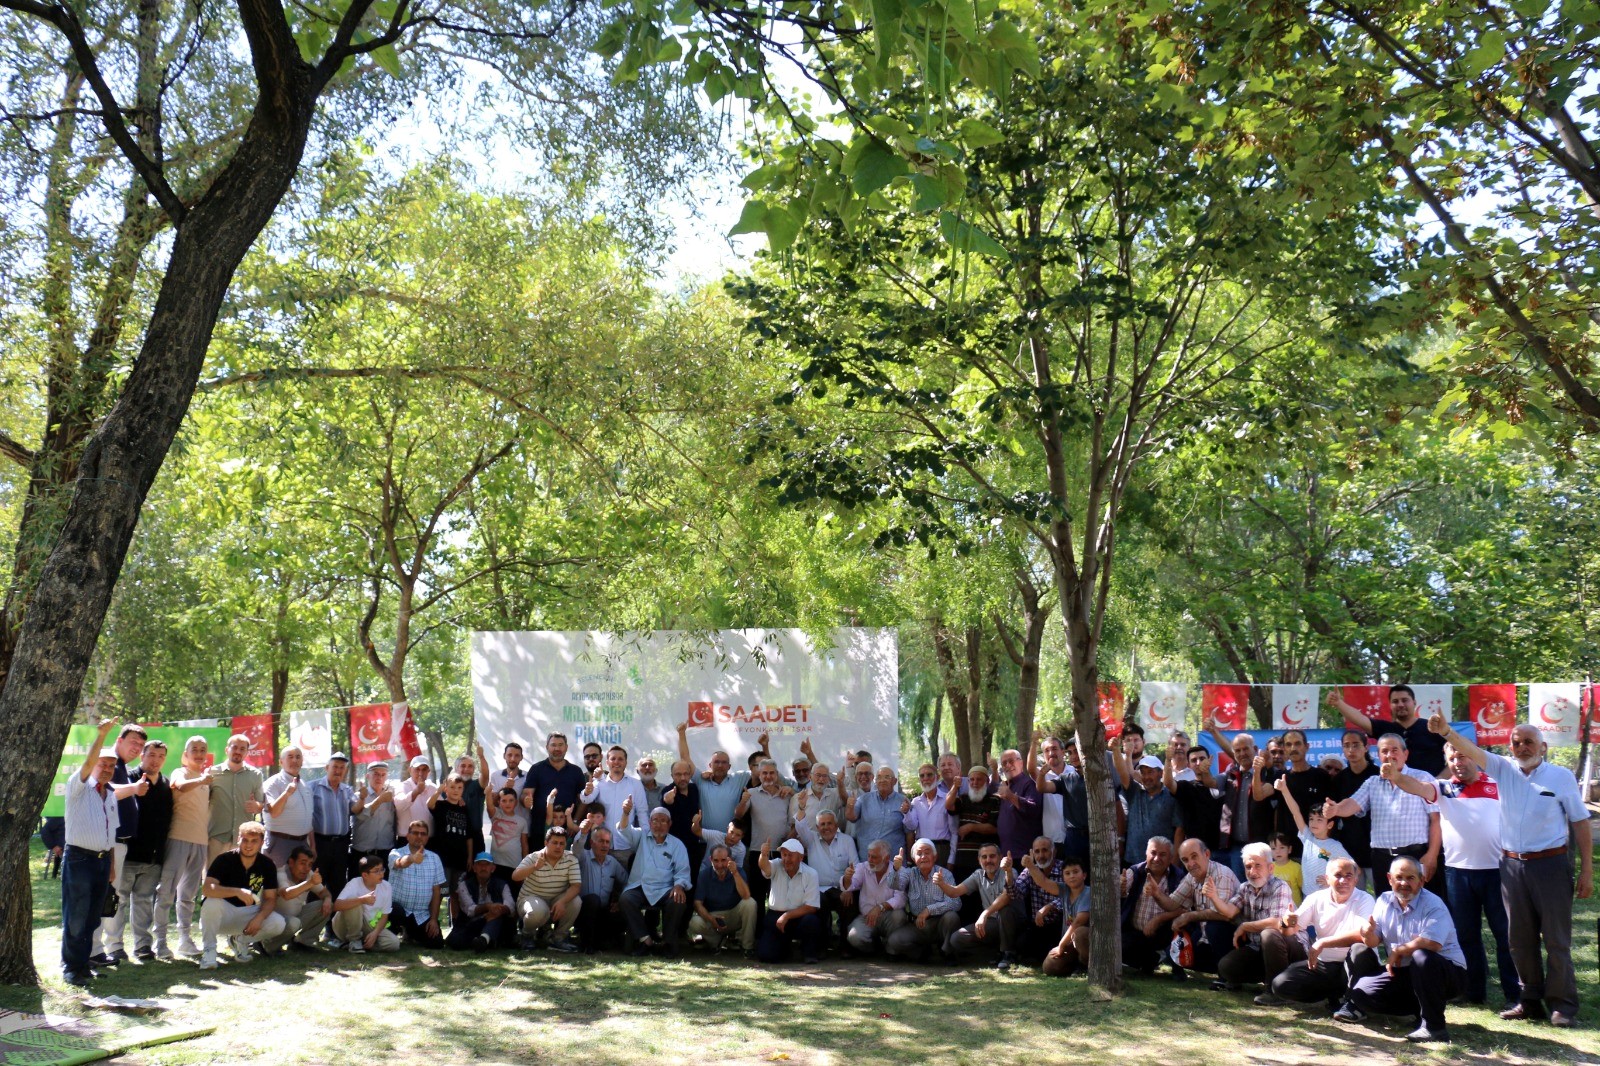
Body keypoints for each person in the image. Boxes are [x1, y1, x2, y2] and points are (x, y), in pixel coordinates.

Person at [1428, 714, 1592, 1026]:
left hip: (1551, 865)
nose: (1522, 747)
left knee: (1556, 939)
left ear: (1543, 747)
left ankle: (1562, 1005)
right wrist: (1447, 731)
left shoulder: (1560, 777)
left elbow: (1580, 823)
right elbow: (1469, 750)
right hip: (1512, 866)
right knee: (1519, 938)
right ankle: (1528, 1000)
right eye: (1516, 742)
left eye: (1529, 742)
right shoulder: (1503, 769)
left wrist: (1586, 871)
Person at [1381, 739, 1520, 1008]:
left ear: (1475, 758)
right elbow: (1417, 787)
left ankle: (1514, 994)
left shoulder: (1498, 785)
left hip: (1497, 871)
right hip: (1459, 874)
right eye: (1452, 758)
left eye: (1463, 756)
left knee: (1505, 935)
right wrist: (1397, 776)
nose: (1458, 762)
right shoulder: (1443, 789)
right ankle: (1473, 991)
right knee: (1466, 935)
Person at [1336, 856, 1467, 1043]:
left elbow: (1433, 944)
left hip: (1449, 973)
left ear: (1421, 880)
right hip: (1405, 972)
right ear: (1390, 879)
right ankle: (1417, 1009)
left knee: (1422, 956)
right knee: (1361, 994)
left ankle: (1434, 1027)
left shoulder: (1433, 904)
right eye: (1399, 877)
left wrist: (1399, 950)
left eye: (1410, 878)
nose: (1404, 883)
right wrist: (1367, 933)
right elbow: (1374, 941)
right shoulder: (1384, 900)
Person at [1323, 735, 1441, 891]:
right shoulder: (1373, 782)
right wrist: (1336, 809)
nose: (1389, 755)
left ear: (1405, 754)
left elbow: (1436, 819)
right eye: (1384, 751)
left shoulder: (1423, 778)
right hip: (1382, 859)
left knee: (1420, 906)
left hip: (1416, 856)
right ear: (1378, 756)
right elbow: (1352, 803)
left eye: (1394, 750)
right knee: (1387, 908)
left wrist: (1432, 854)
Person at [1258, 857, 1376, 1008]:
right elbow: (1291, 929)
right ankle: (1332, 995)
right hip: (1324, 964)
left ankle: (1350, 1002)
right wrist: (1286, 922)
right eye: (1338, 875)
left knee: (1359, 950)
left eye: (1348, 876)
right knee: (1281, 984)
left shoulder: (1365, 899)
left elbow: (1361, 934)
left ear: (1355, 879)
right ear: (1327, 878)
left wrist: (1323, 942)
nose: (1343, 880)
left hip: (1353, 964)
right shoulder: (1316, 898)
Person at [60, 718, 121, 986]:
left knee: (93, 918)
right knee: (76, 916)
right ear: (94, 764)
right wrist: (102, 736)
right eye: (102, 764)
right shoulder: (79, 787)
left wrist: (112, 864)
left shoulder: (109, 795)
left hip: (100, 862)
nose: (107, 768)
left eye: (111, 765)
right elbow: (87, 764)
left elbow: (111, 836)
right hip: (79, 859)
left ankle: (84, 964)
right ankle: (71, 968)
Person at [93, 722, 148, 966]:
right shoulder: (110, 761)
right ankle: (94, 950)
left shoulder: (122, 765)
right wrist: (134, 789)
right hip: (107, 843)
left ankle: (98, 949)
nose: (137, 748)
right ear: (119, 739)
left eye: (140, 745)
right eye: (133, 742)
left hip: (118, 843)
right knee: (102, 898)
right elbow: (105, 791)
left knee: (109, 898)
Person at [198, 822, 286, 970]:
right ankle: (209, 951)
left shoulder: (267, 864)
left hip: (247, 914)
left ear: (262, 843)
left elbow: (271, 898)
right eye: (245, 840)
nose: (248, 845)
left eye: (254, 841)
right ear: (238, 839)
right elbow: (207, 889)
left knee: (278, 923)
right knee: (211, 901)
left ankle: (240, 940)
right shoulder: (224, 859)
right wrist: (237, 891)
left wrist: (259, 918)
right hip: (220, 916)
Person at [1153, 838, 1241, 979]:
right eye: (1185, 860)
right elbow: (1172, 904)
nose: (1191, 864)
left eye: (1194, 857)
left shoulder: (1221, 874)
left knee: (1215, 927)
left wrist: (1189, 916)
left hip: (1234, 938)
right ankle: (1216, 968)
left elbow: (1225, 915)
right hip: (1205, 938)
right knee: (1175, 936)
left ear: (1207, 854)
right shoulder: (1191, 877)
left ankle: (1227, 976)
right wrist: (1156, 893)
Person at [158, 736, 214, 958]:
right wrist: (202, 780)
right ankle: (160, 942)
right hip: (178, 838)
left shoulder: (206, 779)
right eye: (194, 750)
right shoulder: (180, 773)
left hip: (200, 842)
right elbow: (179, 787)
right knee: (166, 892)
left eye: (203, 749)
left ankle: (184, 939)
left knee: (188, 895)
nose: (199, 753)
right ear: (186, 753)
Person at [1214, 842, 1295, 989]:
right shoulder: (1245, 888)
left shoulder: (1280, 887)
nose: (1252, 871)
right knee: (1226, 967)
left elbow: (1278, 922)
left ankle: (1276, 991)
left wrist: (1246, 926)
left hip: (1290, 948)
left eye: (1258, 865)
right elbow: (1229, 911)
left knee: (1269, 934)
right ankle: (1270, 978)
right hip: (1259, 949)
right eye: (1248, 867)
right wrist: (1213, 896)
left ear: (1271, 868)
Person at [122, 739, 172, 962]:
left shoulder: (166, 785)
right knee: (117, 901)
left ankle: (143, 946)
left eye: (161, 756)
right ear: (142, 755)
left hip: (153, 857)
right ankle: (112, 946)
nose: (156, 760)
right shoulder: (128, 779)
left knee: (143, 902)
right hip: (127, 855)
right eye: (152, 755)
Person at [1329, 683, 1447, 775]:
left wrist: (1439, 781)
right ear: (1390, 705)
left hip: (1432, 795)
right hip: (1396, 793)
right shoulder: (1385, 729)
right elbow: (1359, 718)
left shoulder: (1433, 727)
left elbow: (1460, 753)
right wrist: (1339, 703)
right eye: (1395, 701)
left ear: (1414, 702)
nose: (1400, 704)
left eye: (1404, 700)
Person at [619, 807, 692, 955]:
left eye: (663, 821)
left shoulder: (677, 845)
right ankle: (645, 940)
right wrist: (626, 813)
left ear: (669, 823)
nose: (658, 824)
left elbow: (682, 871)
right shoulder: (641, 837)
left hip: (666, 889)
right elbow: (624, 828)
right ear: (649, 822)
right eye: (655, 820)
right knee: (626, 898)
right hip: (641, 886)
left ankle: (668, 942)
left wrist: (678, 885)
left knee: (678, 900)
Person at [1253, 729, 1328, 861]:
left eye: (1297, 743)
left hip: (1316, 848)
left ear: (1307, 747)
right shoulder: (1280, 777)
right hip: (1287, 850)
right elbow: (1258, 795)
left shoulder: (1321, 776)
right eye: (1288, 744)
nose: (1293, 748)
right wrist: (1257, 771)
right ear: (1285, 749)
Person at [1272, 774, 1351, 897]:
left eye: (1319, 820)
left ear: (1330, 825)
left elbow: (1353, 868)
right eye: (1311, 819)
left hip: (1326, 896)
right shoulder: (1307, 837)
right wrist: (1284, 790)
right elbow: (1295, 812)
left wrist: (1333, 881)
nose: (1313, 823)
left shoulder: (1335, 846)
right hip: (1307, 895)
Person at [942, 843, 1017, 970]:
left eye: (992, 856)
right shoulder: (978, 875)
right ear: (979, 860)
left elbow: (1007, 897)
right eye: (984, 857)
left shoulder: (1010, 871)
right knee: (956, 939)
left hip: (1014, 923)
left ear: (1000, 857)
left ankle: (1009, 954)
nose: (988, 860)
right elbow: (954, 892)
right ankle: (996, 951)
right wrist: (940, 883)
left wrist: (984, 914)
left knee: (1005, 911)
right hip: (993, 923)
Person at [793, 805, 858, 951]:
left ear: (836, 825)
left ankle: (846, 945)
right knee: (818, 904)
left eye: (829, 823)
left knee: (851, 902)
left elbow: (856, 867)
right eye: (822, 824)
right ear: (817, 827)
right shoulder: (811, 839)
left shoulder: (847, 840)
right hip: (819, 889)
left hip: (842, 888)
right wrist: (802, 807)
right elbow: (801, 826)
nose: (826, 827)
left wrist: (849, 889)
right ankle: (822, 945)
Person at [512, 825, 582, 951]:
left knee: (576, 901)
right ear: (546, 842)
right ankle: (527, 936)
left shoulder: (571, 859)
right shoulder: (534, 857)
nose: (558, 846)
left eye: (562, 843)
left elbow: (576, 886)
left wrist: (562, 902)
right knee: (538, 911)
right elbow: (515, 876)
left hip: (555, 901)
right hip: (531, 899)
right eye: (554, 842)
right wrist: (534, 867)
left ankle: (558, 938)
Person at [1121, 836, 1182, 974]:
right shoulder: (1135, 871)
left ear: (1171, 857)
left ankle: (1157, 957)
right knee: (1119, 945)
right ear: (1146, 854)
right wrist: (1121, 888)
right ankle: (1150, 960)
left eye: (1163, 854)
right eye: (1153, 853)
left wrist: (1159, 919)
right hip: (1134, 932)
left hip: (1164, 933)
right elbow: (1120, 892)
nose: (1156, 858)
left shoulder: (1178, 876)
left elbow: (1185, 908)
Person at [756, 839, 823, 963]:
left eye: (790, 855)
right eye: (784, 854)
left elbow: (811, 907)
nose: (786, 859)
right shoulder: (777, 864)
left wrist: (787, 916)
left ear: (801, 858)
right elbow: (764, 866)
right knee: (766, 955)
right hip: (775, 917)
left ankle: (809, 952)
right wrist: (764, 854)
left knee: (811, 921)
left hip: (799, 917)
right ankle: (784, 949)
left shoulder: (811, 874)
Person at [1329, 729, 1379, 889]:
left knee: (1383, 897)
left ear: (1366, 747)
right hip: (1350, 849)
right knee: (1353, 900)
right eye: (1346, 746)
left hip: (1377, 848)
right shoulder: (1339, 780)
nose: (1351, 750)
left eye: (1356, 745)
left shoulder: (1378, 776)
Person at [207, 734, 266, 865]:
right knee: (211, 880)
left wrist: (257, 806)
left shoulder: (255, 775)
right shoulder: (212, 772)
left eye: (242, 749)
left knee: (238, 881)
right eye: (235, 747)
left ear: (247, 752)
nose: (238, 751)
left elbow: (261, 803)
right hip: (216, 837)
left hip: (243, 840)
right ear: (227, 750)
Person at [688, 844, 757, 955]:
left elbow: (746, 896)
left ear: (730, 859)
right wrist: (711, 919)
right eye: (716, 860)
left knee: (750, 903)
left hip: (734, 914)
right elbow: (697, 903)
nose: (720, 865)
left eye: (723, 860)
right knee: (694, 922)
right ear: (710, 859)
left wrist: (734, 873)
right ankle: (717, 941)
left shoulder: (738, 871)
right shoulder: (704, 875)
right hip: (713, 916)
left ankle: (747, 947)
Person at [386, 820, 447, 947]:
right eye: (415, 833)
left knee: (436, 943)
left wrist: (433, 919)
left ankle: (410, 933)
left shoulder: (435, 858)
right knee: (395, 913)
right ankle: (396, 930)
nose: (419, 836)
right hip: (397, 912)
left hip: (421, 914)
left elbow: (437, 891)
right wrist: (411, 858)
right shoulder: (395, 853)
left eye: (423, 834)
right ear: (407, 836)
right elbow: (399, 863)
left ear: (427, 838)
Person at [1166, 746, 1229, 868]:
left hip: (1222, 851)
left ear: (1210, 760)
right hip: (1194, 853)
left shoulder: (1222, 784)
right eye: (1194, 760)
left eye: (1202, 758)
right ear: (1189, 765)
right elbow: (1168, 783)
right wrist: (1168, 760)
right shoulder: (1185, 786)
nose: (1198, 763)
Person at [521, 733, 586, 848]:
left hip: (566, 831)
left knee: (565, 865)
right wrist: (525, 800)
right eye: (553, 745)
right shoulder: (536, 769)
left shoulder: (576, 771)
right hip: (540, 830)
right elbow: (526, 794)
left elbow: (583, 801)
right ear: (547, 747)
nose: (557, 748)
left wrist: (574, 822)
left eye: (560, 745)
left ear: (566, 747)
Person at [841, 841, 906, 955]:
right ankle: (876, 949)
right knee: (854, 937)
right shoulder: (862, 867)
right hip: (867, 916)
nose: (870, 860)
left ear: (886, 858)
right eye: (869, 856)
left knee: (899, 916)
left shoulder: (899, 870)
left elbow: (900, 899)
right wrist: (847, 878)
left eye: (874, 857)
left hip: (888, 915)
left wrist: (880, 907)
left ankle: (891, 949)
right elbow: (851, 885)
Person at [1034, 732, 1089, 866]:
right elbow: (1043, 788)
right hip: (1073, 837)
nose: (1074, 756)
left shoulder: (1097, 776)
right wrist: (1041, 774)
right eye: (1070, 753)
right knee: (1073, 876)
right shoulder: (1066, 779)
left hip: (1095, 834)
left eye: (1077, 751)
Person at [264, 845, 332, 953]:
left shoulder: (308, 874)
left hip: (295, 917)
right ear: (291, 862)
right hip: (274, 920)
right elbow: (286, 894)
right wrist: (310, 883)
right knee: (293, 923)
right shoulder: (281, 873)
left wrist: (328, 899)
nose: (306, 868)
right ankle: (266, 945)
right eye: (302, 863)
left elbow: (324, 892)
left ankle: (302, 942)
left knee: (326, 905)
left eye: (310, 864)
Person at [1115, 752, 1179, 868]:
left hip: (1161, 863)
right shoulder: (1134, 792)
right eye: (1143, 773)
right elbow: (1122, 771)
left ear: (1160, 773)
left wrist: (1175, 863)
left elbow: (1180, 829)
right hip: (1133, 861)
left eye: (1150, 772)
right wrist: (1115, 750)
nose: (1146, 777)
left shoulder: (1171, 796)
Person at [579, 745, 650, 847]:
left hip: (626, 845)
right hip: (601, 845)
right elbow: (586, 800)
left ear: (626, 762)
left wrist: (646, 840)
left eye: (620, 759)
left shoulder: (636, 784)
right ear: (607, 762)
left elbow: (642, 814)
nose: (616, 762)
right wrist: (586, 792)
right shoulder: (599, 782)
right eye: (613, 759)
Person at [1009, 836, 1065, 965]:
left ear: (1054, 851)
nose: (1041, 855)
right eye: (1037, 851)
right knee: (1022, 944)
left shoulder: (1064, 869)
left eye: (1044, 850)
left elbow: (1071, 897)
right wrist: (1008, 873)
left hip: (1061, 924)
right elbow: (1015, 894)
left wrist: (1050, 906)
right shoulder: (1030, 870)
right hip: (1039, 926)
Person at [574, 823, 628, 954]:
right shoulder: (583, 857)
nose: (604, 845)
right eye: (601, 841)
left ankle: (604, 940)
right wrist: (583, 833)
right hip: (583, 911)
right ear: (592, 843)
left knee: (626, 910)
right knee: (593, 900)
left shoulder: (612, 862)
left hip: (603, 912)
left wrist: (620, 901)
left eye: (607, 842)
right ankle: (587, 944)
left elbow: (628, 882)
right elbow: (575, 851)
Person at [310, 752, 356, 900]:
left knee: (338, 884)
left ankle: (334, 922)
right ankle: (314, 922)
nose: (338, 770)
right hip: (320, 843)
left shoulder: (347, 790)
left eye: (342, 767)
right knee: (316, 884)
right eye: (335, 766)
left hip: (341, 845)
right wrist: (311, 845)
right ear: (326, 768)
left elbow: (356, 810)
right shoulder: (313, 787)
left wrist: (361, 798)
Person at [332, 856, 401, 954]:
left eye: (382, 869)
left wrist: (375, 933)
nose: (381, 873)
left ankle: (359, 945)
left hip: (369, 926)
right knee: (354, 902)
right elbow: (336, 906)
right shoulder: (354, 883)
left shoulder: (386, 886)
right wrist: (362, 900)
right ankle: (354, 940)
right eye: (376, 871)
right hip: (345, 926)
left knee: (394, 944)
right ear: (365, 875)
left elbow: (385, 915)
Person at [945, 766, 1001, 882]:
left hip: (986, 860)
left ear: (987, 781)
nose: (975, 783)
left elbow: (993, 828)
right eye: (972, 779)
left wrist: (971, 827)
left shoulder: (994, 800)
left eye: (979, 779)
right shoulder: (964, 798)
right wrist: (955, 787)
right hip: (963, 859)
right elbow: (948, 805)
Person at [449, 852, 514, 950]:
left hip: (496, 922)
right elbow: (470, 910)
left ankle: (483, 940)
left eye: (487, 865)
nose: (483, 868)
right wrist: (488, 907)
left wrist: (499, 909)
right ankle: (487, 941)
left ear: (493, 868)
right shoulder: (464, 885)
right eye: (480, 864)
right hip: (471, 923)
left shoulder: (502, 884)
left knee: (496, 915)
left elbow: (511, 906)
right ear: (474, 868)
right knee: (456, 941)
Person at [262, 746, 314, 867]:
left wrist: (312, 846)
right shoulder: (273, 783)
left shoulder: (305, 785)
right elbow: (274, 812)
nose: (295, 760)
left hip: (303, 844)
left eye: (298, 757)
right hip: (279, 843)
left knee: (300, 883)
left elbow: (309, 819)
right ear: (281, 762)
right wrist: (287, 794)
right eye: (290, 757)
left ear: (302, 761)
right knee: (277, 881)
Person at [426, 772, 474, 902]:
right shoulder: (441, 805)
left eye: (459, 788)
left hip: (461, 859)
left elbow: (469, 835)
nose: (456, 790)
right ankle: (438, 919)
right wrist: (438, 791)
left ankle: (457, 921)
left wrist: (470, 856)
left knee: (458, 893)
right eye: (452, 787)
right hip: (444, 859)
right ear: (446, 788)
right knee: (443, 891)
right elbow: (429, 804)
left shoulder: (464, 809)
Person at [1041, 857, 1091, 976]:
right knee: (1049, 967)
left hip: (1087, 942)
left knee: (1079, 933)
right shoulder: (1064, 890)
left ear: (1084, 875)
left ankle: (1086, 966)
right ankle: (1075, 967)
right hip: (1070, 944)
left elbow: (1078, 922)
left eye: (1075, 872)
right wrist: (1030, 866)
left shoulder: (1089, 892)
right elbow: (1043, 882)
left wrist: (1061, 945)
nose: (1071, 876)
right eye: (1067, 873)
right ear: (1063, 877)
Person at [994, 749, 1043, 865]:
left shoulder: (1029, 784)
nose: (1008, 765)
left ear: (1021, 763)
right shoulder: (1006, 785)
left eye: (1011, 761)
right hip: (1007, 854)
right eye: (1004, 763)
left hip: (1024, 854)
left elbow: (1034, 809)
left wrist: (1011, 796)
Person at [847, 765, 908, 856]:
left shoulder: (903, 801)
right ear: (875, 781)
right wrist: (850, 806)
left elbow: (909, 832)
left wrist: (909, 858)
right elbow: (851, 818)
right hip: (867, 858)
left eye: (887, 777)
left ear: (894, 781)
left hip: (892, 860)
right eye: (879, 777)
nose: (882, 780)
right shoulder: (864, 799)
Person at [902, 765, 956, 866]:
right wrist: (906, 813)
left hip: (941, 850)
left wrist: (951, 859)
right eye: (922, 776)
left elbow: (954, 831)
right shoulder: (916, 802)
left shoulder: (947, 799)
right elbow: (912, 826)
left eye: (929, 775)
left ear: (937, 777)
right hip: (921, 849)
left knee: (940, 881)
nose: (925, 778)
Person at [351, 762, 397, 876]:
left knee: (383, 889)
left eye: (383, 774)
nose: (379, 778)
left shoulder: (392, 797)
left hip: (385, 852)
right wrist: (379, 800)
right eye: (376, 774)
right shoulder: (358, 796)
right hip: (362, 853)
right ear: (368, 776)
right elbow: (360, 816)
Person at [393, 754, 438, 842]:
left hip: (429, 841)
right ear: (410, 770)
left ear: (428, 771)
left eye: (424, 770)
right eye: (417, 769)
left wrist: (458, 799)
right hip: (407, 840)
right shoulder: (402, 787)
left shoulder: (433, 788)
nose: (420, 773)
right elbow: (399, 805)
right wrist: (416, 792)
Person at [487, 787, 530, 879]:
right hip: (495, 863)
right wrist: (488, 793)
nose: (508, 803)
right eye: (504, 800)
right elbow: (489, 806)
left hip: (514, 864)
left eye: (511, 800)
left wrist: (524, 864)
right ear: (499, 802)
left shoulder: (522, 821)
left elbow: (524, 845)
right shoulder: (496, 814)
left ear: (516, 802)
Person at [1268, 833, 1303, 904]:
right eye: (1273, 848)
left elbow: (1303, 888)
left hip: (1294, 909)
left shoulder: (1296, 867)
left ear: (1289, 849)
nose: (1277, 851)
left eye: (1282, 847)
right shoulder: (1268, 868)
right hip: (1275, 908)